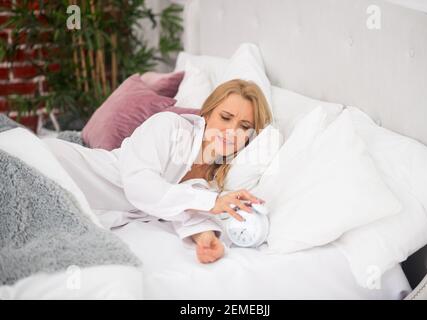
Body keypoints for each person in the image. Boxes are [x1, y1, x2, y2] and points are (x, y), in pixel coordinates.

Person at [42, 78, 273, 264]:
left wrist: (205, 238)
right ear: (208, 114)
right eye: (225, 117)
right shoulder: (169, 126)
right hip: (63, 167)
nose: (232, 131)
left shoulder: (214, 179)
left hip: (78, 206)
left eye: (244, 127)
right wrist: (212, 201)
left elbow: (184, 208)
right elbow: (140, 186)